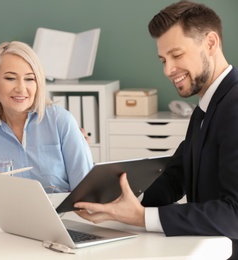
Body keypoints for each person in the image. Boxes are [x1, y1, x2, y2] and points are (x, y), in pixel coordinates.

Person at [74, 1, 238, 259]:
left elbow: (234, 215)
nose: (167, 70)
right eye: (163, 59)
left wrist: (142, 217)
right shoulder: (206, 107)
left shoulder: (234, 105)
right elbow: (176, 177)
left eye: (177, 55)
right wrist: (114, 198)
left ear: (211, 43)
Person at [0, 41, 93, 192]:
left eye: (29, 79)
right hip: (4, 215)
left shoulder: (61, 121)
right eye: (10, 78)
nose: (21, 88)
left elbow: (86, 191)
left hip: (62, 214)